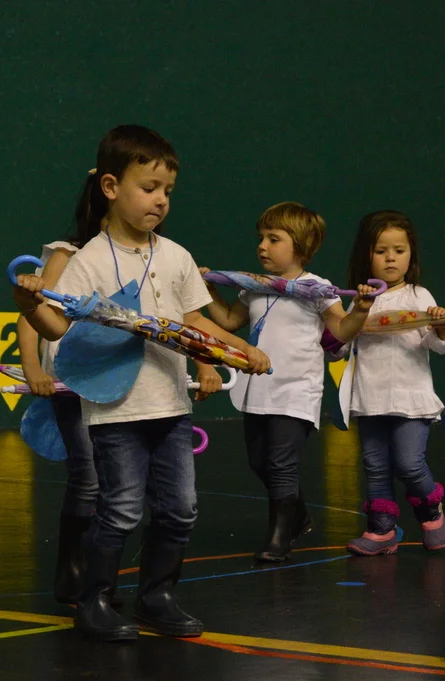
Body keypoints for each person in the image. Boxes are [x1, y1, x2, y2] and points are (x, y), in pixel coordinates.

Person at [15, 125, 270, 641]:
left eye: (167, 191)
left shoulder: (176, 255)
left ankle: (157, 597)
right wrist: (29, 302)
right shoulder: (87, 260)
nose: (160, 200)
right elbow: (56, 327)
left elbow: (195, 321)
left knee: (180, 509)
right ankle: (95, 600)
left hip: (171, 407)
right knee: (121, 509)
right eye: (149, 188)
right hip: (116, 412)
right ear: (111, 187)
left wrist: (239, 348)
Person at [201, 202, 376, 562]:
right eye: (260, 238)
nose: (262, 246)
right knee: (259, 462)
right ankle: (298, 515)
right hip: (257, 390)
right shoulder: (255, 287)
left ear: (300, 245)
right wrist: (206, 290)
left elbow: (341, 331)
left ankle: (279, 538)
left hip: (296, 391)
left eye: (273, 239)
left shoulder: (318, 288)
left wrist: (360, 310)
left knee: (281, 464)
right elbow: (229, 321)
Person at [337, 211, 445, 556]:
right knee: (375, 467)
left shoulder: (419, 295)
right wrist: (356, 314)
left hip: (411, 399)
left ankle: (431, 512)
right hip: (370, 399)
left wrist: (442, 325)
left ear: (411, 255)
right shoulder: (360, 300)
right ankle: (382, 530)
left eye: (399, 250)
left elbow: (444, 343)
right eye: (381, 251)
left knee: (409, 463)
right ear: (366, 255)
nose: (390, 258)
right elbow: (340, 345)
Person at [16, 239, 98, 605]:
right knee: (88, 476)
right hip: (71, 383)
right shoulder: (67, 254)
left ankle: (99, 574)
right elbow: (32, 313)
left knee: (115, 482)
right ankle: (72, 572)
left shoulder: (144, 254)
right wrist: (33, 368)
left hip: (118, 382)